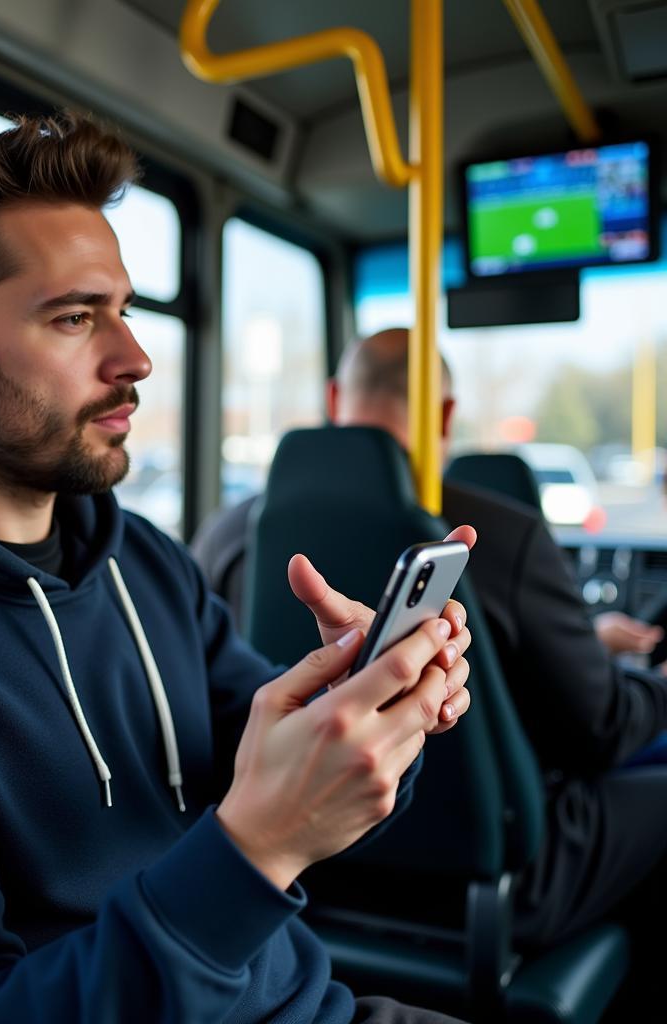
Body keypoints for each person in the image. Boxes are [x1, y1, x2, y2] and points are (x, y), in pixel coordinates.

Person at [0, 118, 474, 1024]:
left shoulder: (142, 560)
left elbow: (290, 788)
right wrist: (259, 851)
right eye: (75, 317)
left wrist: (376, 721)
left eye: (124, 309)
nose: (136, 359)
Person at [192, 326, 667, 991]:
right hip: (494, 885)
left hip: (303, 870)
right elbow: (603, 730)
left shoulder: (223, 534)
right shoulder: (502, 539)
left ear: (335, 399)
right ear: (444, 414)